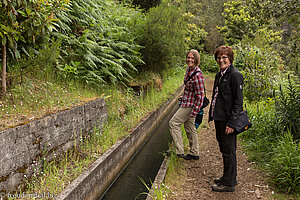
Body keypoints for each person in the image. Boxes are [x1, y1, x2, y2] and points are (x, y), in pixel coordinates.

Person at [208, 46, 244, 192]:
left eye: (224, 57)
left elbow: (238, 102)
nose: (221, 60)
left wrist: (232, 123)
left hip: (228, 120)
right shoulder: (219, 75)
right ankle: (228, 177)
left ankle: (228, 184)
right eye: (219, 57)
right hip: (219, 118)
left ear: (230, 59)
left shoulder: (235, 75)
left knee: (229, 150)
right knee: (224, 149)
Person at [169, 49, 205, 160]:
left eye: (192, 58)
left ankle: (178, 151)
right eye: (188, 57)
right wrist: (183, 97)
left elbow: (200, 96)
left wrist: (194, 112)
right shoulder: (189, 70)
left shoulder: (198, 75)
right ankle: (194, 153)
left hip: (190, 106)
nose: (189, 60)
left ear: (196, 60)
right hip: (187, 101)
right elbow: (190, 91)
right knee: (190, 128)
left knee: (173, 123)